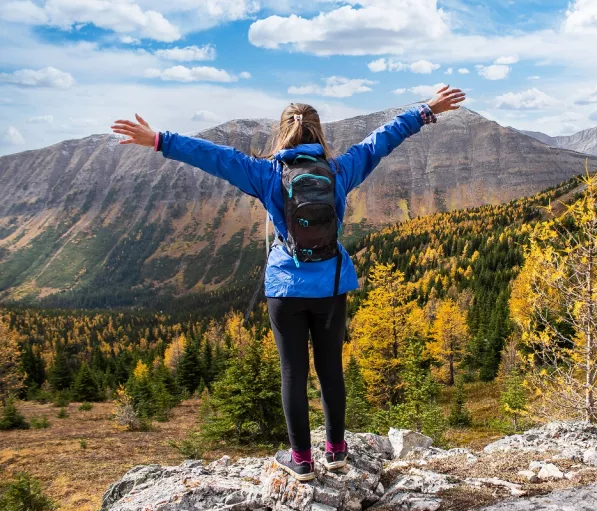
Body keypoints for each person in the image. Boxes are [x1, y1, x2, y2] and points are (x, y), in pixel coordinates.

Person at [111, 85, 466, 481]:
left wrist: (159, 140)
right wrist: (426, 110)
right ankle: (335, 451)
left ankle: (301, 460)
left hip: (284, 288)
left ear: (283, 134)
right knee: (331, 369)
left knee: (293, 372)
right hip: (331, 286)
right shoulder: (340, 170)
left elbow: (212, 157)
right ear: (319, 134)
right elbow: (382, 139)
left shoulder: (265, 174)